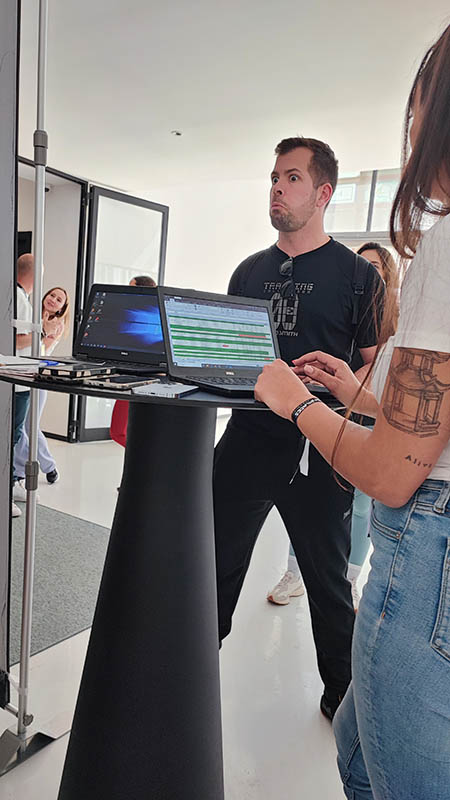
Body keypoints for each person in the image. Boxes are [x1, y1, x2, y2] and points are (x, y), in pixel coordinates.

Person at [255, 23, 450, 798]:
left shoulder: (441, 251)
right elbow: (428, 421)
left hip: (426, 550)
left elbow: (393, 471)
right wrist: (354, 392)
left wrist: (296, 400)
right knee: (359, 752)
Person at [213, 136, 384, 721]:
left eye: (291, 178)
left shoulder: (358, 277)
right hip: (245, 442)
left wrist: (339, 384)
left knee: (328, 585)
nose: (277, 189)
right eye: (274, 178)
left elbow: (374, 366)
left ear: (323, 193)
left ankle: (344, 701)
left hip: (321, 449)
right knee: (211, 567)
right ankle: (186, 681)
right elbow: (229, 357)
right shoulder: (247, 272)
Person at [268, 243, 400, 608]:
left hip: (365, 414)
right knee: (311, 497)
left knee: (359, 506)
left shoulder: (394, 326)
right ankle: (295, 572)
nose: (367, 272)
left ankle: (349, 578)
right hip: (328, 409)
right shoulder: (340, 303)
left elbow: (379, 371)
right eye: (362, 264)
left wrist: (350, 390)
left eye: (375, 267)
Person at [13, 287, 70, 501]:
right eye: (52, 295)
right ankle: (24, 470)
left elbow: (41, 352)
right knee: (20, 429)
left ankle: (48, 466)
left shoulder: (56, 325)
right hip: (21, 375)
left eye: (59, 299)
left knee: (30, 428)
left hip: (38, 378)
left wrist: (43, 330)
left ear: (62, 307)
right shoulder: (31, 314)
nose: (53, 300)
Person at [110, 275, 156, 457]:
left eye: (131, 287)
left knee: (120, 432)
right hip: (131, 378)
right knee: (121, 432)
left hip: (143, 381)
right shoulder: (134, 314)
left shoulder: (150, 315)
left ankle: (145, 461)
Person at [12, 254, 35, 517]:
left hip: (22, 377)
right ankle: (6, 487)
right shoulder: (19, 298)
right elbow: (15, 340)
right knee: (12, 436)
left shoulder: (20, 297)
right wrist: (41, 331)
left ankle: (12, 482)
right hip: (17, 378)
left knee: (16, 434)